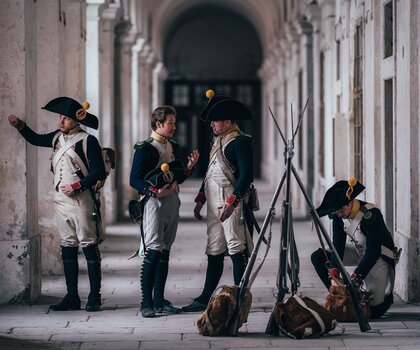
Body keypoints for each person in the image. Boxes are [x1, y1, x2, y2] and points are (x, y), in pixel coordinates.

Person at [8, 96, 107, 312]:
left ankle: (94, 297)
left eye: (66, 118)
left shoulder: (88, 141)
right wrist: (20, 126)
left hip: (82, 201)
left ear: (77, 120)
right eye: (60, 117)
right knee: (67, 248)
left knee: (89, 246)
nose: (61, 121)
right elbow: (34, 139)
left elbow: (99, 172)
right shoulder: (56, 138)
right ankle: (72, 297)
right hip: (60, 202)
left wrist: (77, 185)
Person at [182, 90, 255, 313]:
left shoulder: (240, 142)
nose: (212, 124)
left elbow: (246, 176)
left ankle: (240, 296)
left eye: (216, 121)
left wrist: (233, 202)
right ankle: (205, 297)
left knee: (236, 247)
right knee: (213, 249)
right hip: (214, 202)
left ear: (227, 121)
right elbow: (210, 172)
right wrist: (201, 199)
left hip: (230, 203)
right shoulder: (218, 140)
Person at [130, 105, 200, 318]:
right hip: (153, 203)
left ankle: (159, 299)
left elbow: (175, 178)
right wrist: (153, 192)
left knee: (165, 251)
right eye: (170, 123)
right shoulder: (145, 148)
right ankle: (146, 302)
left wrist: (188, 169)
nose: (174, 127)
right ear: (158, 124)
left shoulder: (171, 146)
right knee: (153, 251)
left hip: (171, 201)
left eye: (174, 123)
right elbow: (134, 179)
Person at [311, 177, 399, 318]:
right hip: (359, 250)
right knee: (318, 257)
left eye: (341, 210)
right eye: (336, 211)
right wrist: (334, 271)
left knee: (373, 311)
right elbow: (338, 244)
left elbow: (373, 252)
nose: (339, 214)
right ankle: (340, 295)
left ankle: (355, 292)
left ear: (351, 202)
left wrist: (356, 278)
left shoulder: (371, 215)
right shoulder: (337, 213)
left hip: (377, 258)